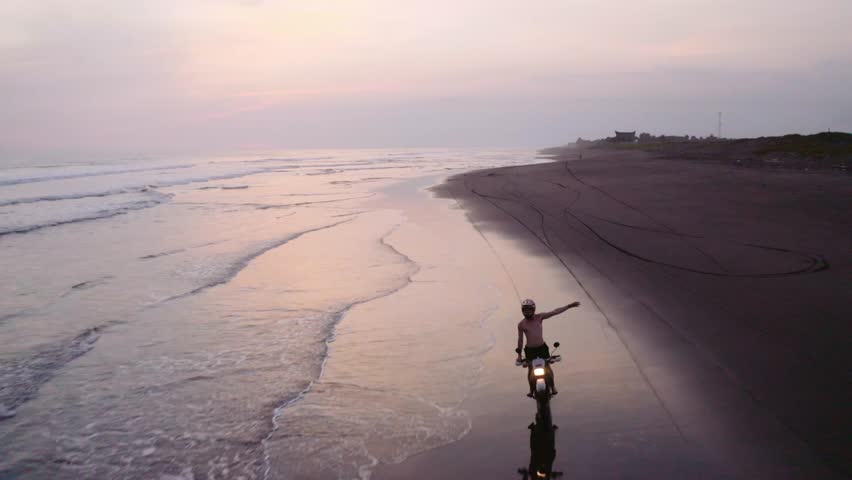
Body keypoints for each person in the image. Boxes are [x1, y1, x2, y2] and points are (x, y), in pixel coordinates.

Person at [516, 298, 580, 397]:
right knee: (530, 369)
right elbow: (520, 340)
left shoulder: (540, 317)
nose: (527, 311)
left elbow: (554, 312)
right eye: (525, 309)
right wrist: (519, 355)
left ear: (533, 309)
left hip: (542, 348)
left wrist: (569, 306)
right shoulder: (521, 325)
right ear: (522, 310)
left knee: (547, 367)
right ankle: (531, 389)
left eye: (529, 309)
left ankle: (553, 386)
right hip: (529, 350)